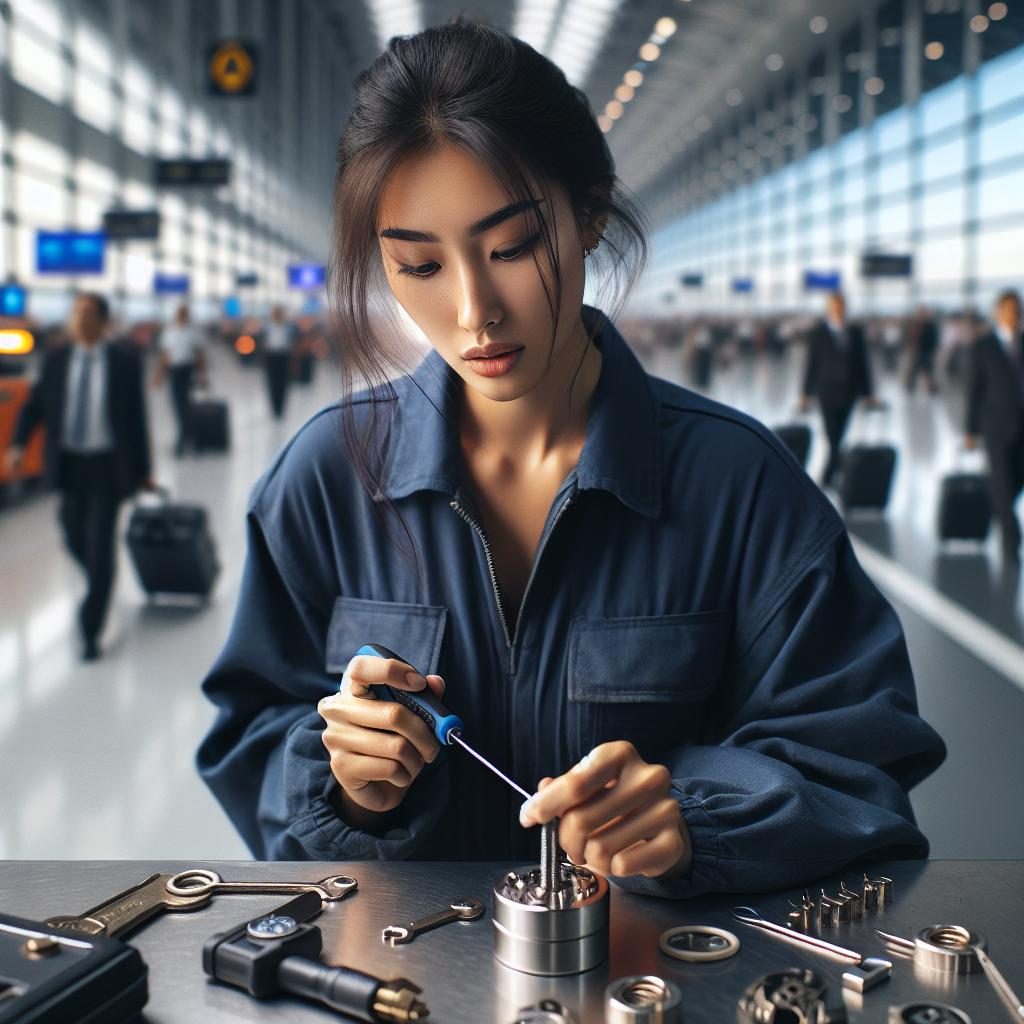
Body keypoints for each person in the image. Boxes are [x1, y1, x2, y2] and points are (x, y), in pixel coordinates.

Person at [196, 22, 944, 898]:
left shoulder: (739, 488)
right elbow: (250, 742)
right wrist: (348, 792)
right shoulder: (325, 478)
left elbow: (860, 769)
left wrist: (696, 823)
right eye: (418, 264)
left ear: (589, 214)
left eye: (510, 248)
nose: (474, 310)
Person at [6, 293, 152, 659]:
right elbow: (35, 405)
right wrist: (18, 445)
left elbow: (136, 419)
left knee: (100, 543)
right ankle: (100, 581)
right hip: (69, 465)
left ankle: (90, 631)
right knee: (72, 533)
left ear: (102, 322)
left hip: (107, 466)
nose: (78, 321)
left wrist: (144, 470)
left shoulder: (123, 361)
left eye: (86, 314)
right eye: (75, 314)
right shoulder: (56, 359)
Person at [965, 289, 1024, 565]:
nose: (1015, 315)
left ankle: (998, 508)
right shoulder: (984, 346)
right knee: (1001, 481)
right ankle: (1012, 541)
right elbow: (974, 390)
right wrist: (970, 430)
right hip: (996, 426)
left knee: (1015, 481)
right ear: (998, 313)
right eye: (1010, 310)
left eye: (1018, 309)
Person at [800, 291, 878, 489]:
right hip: (826, 391)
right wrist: (805, 393)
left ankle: (831, 473)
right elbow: (812, 364)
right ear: (829, 309)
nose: (839, 310)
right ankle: (830, 475)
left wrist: (869, 393)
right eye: (835, 306)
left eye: (841, 306)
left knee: (839, 434)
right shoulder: (819, 333)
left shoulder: (855, 332)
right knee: (832, 434)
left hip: (849, 392)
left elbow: (862, 364)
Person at [153, 302, 206, 456]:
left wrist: (202, 374)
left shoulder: (193, 332)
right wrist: (159, 375)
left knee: (187, 406)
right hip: (174, 371)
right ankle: (187, 438)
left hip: (188, 370)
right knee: (178, 406)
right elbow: (165, 356)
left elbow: (199, 355)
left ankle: (183, 441)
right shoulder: (169, 332)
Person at [262, 305, 296, 419]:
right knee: (272, 383)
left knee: (283, 384)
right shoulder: (267, 328)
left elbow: (292, 343)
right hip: (272, 357)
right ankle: (274, 409)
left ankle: (281, 409)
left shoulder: (288, 328)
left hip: (283, 357)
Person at [905, 305, 939, 395]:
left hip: (926, 352)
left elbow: (934, 339)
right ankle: (910, 386)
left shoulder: (931, 325)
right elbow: (912, 338)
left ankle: (932, 389)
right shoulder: (916, 325)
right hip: (918, 352)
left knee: (928, 372)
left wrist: (932, 350)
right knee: (914, 371)